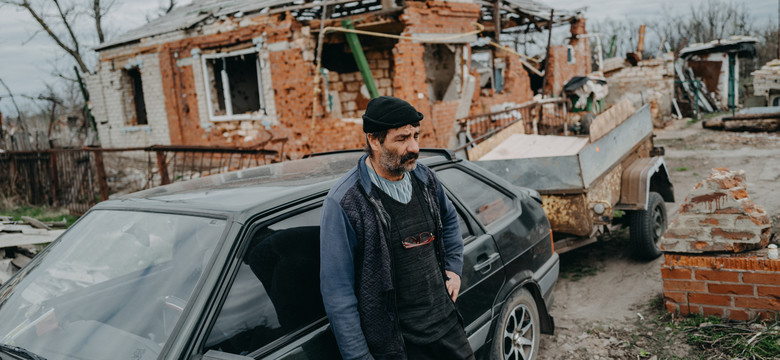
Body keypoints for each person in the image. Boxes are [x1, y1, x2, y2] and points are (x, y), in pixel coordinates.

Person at [320, 96, 475, 360]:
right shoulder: (345, 202)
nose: (414, 147)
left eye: (416, 136)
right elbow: (338, 294)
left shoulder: (425, 179)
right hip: (397, 344)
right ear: (374, 140)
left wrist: (453, 268)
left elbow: (449, 221)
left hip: (445, 325)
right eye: (402, 139)